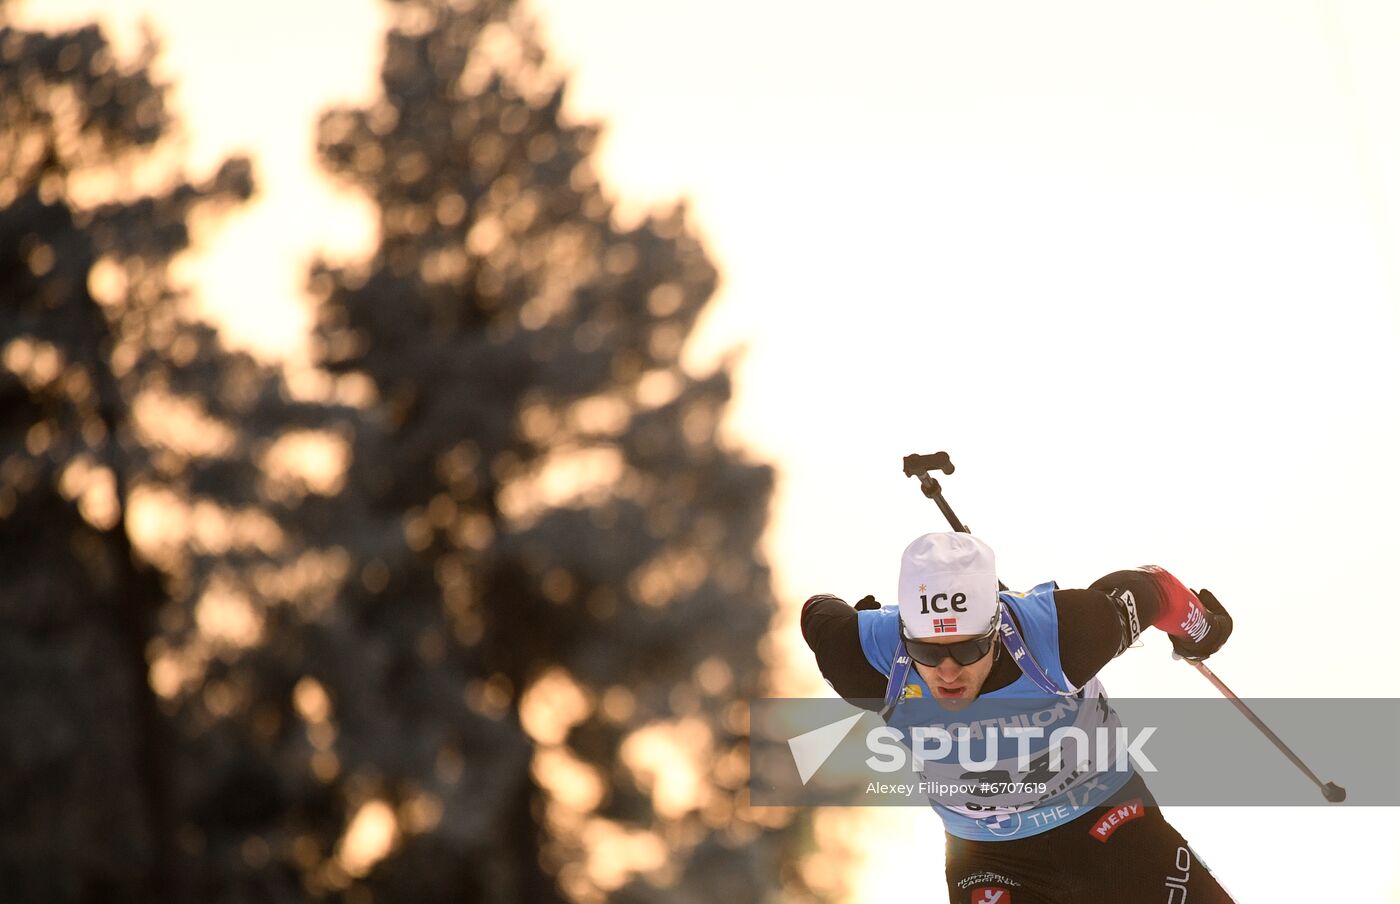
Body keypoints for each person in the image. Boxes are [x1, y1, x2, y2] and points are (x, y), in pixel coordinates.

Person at [800, 531, 1236, 903]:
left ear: (995, 630)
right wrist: (859, 623)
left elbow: (1154, 590)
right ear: (905, 636)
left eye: (969, 649)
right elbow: (816, 610)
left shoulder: (1064, 637)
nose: (948, 671)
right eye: (927, 653)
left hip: (1112, 821)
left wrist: (1204, 631)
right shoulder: (861, 660)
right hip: (991, 859)